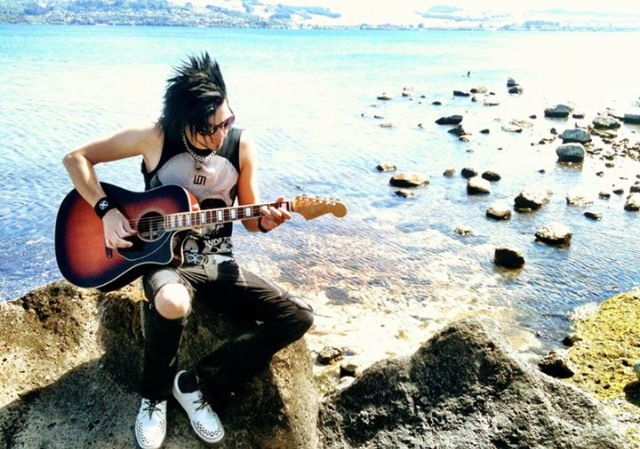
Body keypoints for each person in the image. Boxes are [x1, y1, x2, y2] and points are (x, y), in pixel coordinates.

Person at [62, 52, 314, 449]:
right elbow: (76, 159)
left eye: (226, 121)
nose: (220, 134)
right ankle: (153, 398)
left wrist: (268, 220)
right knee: (173, 302)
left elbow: (251, 219)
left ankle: (196, 383)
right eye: (209, 130)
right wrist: (106, 210)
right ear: (184, 123)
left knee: (297, 316)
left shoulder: (241, 144)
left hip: (218, 261)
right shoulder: (154, 136)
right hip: (164, 261)